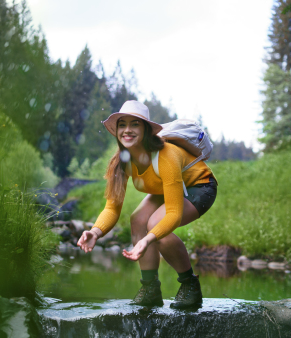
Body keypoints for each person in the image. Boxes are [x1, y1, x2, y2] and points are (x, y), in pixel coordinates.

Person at [77, 100, 217, 309]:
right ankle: (150, 288)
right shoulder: (121, 162)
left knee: (155, 225)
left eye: (135, 124)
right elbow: (111, 208)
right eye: (122, 124)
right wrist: (95, 232)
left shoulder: (166, 155)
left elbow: (173, 214)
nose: (127, 130)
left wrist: (148, 239)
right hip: (166, 187)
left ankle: (190, 285)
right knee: (138, 219)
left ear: (146, 129)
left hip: (199, 186)